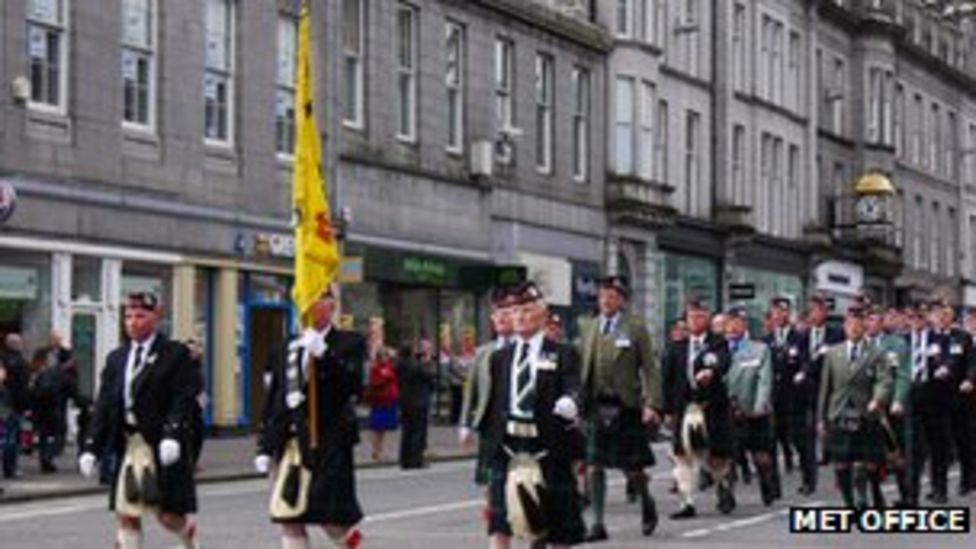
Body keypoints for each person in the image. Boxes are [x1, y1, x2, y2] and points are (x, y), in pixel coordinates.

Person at [79, 292, 202, 549]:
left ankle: (189, 537)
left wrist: (173, 434)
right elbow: (104, 405)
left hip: (161, 444)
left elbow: (183, 398)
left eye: (140, 316)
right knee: (127, 513)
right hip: (129, 445)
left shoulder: (175, 353)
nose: (133, 322)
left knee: (167, 515)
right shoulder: (117, 358)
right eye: (128, 316)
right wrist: (91, 447)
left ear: (156, 318)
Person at [255, 286, 366, 549]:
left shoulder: (349, 343)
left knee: (331, 521)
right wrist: (265, 445)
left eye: (320, 299)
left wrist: (325, 355)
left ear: (332, 305)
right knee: (289, 516)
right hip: (293, 444)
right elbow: (276, 400)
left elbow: (354, 386)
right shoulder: (287, 347)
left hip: (330, 442)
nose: (312, 305)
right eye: (307, 299)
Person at [478, 281, 586, 548]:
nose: (520, 317)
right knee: (501, 522)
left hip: (548, 446)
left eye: (527, 309)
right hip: (508, 446)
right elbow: (494, 404)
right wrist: (485, 445)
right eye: (515, 311)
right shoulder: (500, 357)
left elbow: (575, 386)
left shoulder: (563, 353)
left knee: (558, 526)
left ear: (543, 313)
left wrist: (571, 401)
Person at [578, 276, 661, 541]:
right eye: (603, 296)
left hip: (625, 406)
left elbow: (649, 368)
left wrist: (652, 404)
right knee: (594, 465)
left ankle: (647, 501)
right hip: (596, 405)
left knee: (632, 468)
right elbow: (584, 367)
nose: (606, 301)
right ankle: (598, 524)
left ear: (621, 300)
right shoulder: (589, 327)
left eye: (612, 297)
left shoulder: (635, 328)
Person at [662, 297, 735, 519]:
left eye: (701, 316)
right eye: (692, 316)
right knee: (682, 455)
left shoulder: (717, 343)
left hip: (712, 407)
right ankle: (687, 503)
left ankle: (723, 488)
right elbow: (667, 380)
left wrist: (710, 372)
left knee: (716, 457)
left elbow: (723, 361)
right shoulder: (676, 347)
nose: (696, 320)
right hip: (684, 408)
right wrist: (666, 410)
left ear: (709, 318)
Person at [817, 305, 892, 509]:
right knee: (841, 462)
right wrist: (821, 419)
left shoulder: (876, 353)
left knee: (869, 462)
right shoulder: (834, 353)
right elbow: (826, 386)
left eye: (858, 325)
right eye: (850, 325)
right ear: (844, 327)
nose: (854, 329)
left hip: (866, 413)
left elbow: (883, 380)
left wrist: (878, 399)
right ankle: (849, 502)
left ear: (864, 327)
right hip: (839, 413)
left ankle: (874, 492)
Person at [459, 286, 518, 520]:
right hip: (490, 424)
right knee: (491, 480)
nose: (501, 319)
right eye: (497, 315)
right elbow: (470, 390)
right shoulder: (483, 352)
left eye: (506, 314)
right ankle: (495, 522)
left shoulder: (525, 349)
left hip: (516, 423)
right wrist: (465, 424)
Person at [724, 307, 777, 506]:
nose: (732, 327)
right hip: (726, 412)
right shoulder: (716, 349)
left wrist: (760, 405)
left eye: (737, 322)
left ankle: (766, 482)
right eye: (729, 323)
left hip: (752, 410)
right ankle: (727, 495)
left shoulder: (759, 349)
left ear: (745, 325)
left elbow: (764, 380)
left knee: (760, 456)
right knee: (728, 457)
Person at [765, 297, 816, 495]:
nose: (779, 315)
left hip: (795, 398)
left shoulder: (801, 337)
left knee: (800, 442)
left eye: (783, 311)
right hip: (774, 400)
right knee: (771, 443)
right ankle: (773, 486)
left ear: (790, 314)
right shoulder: (767, 340)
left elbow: (806, 362)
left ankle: (808, 480)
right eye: (776, 312)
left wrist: (802, 373)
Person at [926, 299, 975, 499]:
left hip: (959, 397)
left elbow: (973, 362)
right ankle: (939, 488)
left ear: (951, 317)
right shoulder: (928, 337)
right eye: (938, 314)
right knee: (938, 445)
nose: (942, 318)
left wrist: (970, 379)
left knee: (963, 441)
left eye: (945, 314)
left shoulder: (962, 337)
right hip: (935, 398)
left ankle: (967, 479)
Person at [397, 338, 436, 469]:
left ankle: (405, 459)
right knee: (418, 431)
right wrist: (427, 362)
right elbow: (429, 376)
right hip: (419, 401)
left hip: (404, 401)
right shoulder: (416, 365)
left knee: (406, 431)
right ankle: (415, 459)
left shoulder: (399, 365)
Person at [1, 334, 29, 479]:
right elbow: (23, 387)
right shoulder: (20, 362)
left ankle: (7, 467)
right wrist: (26, 406)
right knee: (13, 437)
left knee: (7, 436)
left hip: (5, 403)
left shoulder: (3, 359)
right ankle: (10, 468)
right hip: (15, 404)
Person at [365, 347, 399, 462]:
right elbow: (375, 382)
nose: (386, 358)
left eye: (387, 356)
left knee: (385, 429)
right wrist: (385, 378)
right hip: (379, 401)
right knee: (377, 428)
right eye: (384, 356)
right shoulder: (375, 368)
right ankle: (376, 451)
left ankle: (383, 451)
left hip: (389, 400)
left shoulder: (389, 367)